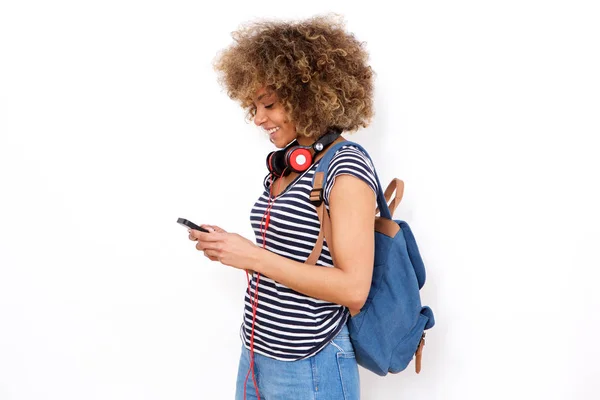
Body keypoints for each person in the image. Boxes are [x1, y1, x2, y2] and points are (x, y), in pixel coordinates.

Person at [188, 14, 379, 400]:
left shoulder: (345, 166)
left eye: (269, 105)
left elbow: (354, 289)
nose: (258, 119)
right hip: (257, 354)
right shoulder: (290, 163)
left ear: (307, 95)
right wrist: (233, 247)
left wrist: (252, 256)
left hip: (311, 364)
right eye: (253, 107)